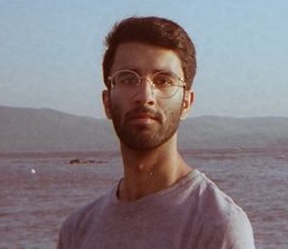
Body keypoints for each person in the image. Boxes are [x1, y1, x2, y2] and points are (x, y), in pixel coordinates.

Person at [58, 16, 255, 248]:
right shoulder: (78, 230)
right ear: (107, 102)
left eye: (163, 81)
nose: (145, 96)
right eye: (128, 79)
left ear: (186, 103)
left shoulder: (217, 225)